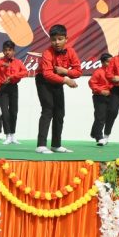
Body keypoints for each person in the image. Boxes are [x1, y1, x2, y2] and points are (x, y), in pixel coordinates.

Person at [35, 24, 81, 154]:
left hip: (58, 81)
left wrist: (65, 71)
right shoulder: (47, 53)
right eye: (54, 39)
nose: (57, 42)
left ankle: (56, 145)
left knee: (60, 112)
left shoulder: (71, 51)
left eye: (60, 39)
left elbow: (78, 71)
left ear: (66, 39)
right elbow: (47, 74)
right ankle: (41, 145)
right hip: (43, 81)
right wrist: (66, 80)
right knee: (48, 109)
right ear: (50, 40)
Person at [0, 40, 28, 145]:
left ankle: (13, 135)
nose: (7, 52)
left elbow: (25, 72)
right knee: (5, 112)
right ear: (3, 51)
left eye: (10, 50)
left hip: (13, 87)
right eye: (5, 50)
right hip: (3, 88)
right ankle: (7, 136)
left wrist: (12, 77)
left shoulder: (18, 62)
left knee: (14, 112)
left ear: (14, 51)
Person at [89, 53, 114, 146]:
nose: (110, 64)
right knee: (100, 116)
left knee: (107, 116)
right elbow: (92, 83)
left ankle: (94, 132)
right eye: (108, 62)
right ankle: (99, 137)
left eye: (112, 62)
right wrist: (101, 91)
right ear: (102, 62)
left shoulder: (115, 72)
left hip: (111, 96)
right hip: (99, 97)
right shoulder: (98, 72)